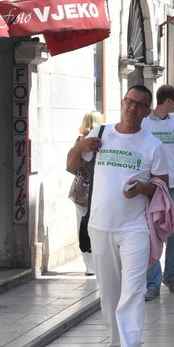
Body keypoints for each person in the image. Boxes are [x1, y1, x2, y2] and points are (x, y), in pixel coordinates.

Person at [66, 85, 169, 347]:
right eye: (129, 101)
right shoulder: (100, 134)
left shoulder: (152, 145)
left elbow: (161, 187)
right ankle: (115, 344)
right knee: (109, 289)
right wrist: (80, 146)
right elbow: (71, 164)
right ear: (123, 102)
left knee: (133, 289)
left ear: (147, 111)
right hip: (99, 226)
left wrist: (142, 188)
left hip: (135, 228)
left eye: (139, 105)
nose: (132, 108)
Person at [142, 85, 174, 299]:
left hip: (172, 186)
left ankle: (170, 276)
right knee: (151, 234)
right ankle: (152, 282)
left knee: (173, 234)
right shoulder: (144, 122)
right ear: (169, 101)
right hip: (152, 186)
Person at [67, 110, 105, 276]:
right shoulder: (102, 140)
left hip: (81, 189)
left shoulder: (80, 141)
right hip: (97, 189)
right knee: (97, 226)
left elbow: (71, 166)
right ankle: (96, 263)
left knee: (82, 224)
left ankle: (89, 266)